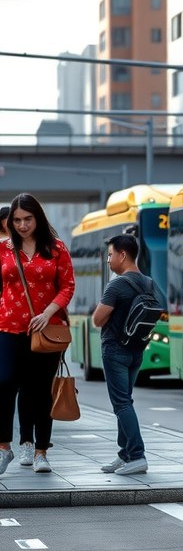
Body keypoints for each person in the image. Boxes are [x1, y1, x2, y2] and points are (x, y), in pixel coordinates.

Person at [0, 194, 76, 475]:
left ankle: (41, 451)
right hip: (8, 325)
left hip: (47, 328)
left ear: (38, 218)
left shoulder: (56, 248)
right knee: (4, 381)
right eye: (16, 220)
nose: (21, 225)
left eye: (27, 219)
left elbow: (67, 286)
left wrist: (47, 313)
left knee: (40, 390)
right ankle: (4, 448)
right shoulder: (4, 250)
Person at [91, 234, 154, 475]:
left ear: (122, 255)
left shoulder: (116, 285)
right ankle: (125, 454)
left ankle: (137, 455)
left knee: (121, 403)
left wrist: (110, 316)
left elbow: (97, 319)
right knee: (125, 400)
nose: (108, 260)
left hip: (115, 349)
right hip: (136, 351)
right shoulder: (149, 283)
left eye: (110, 255)